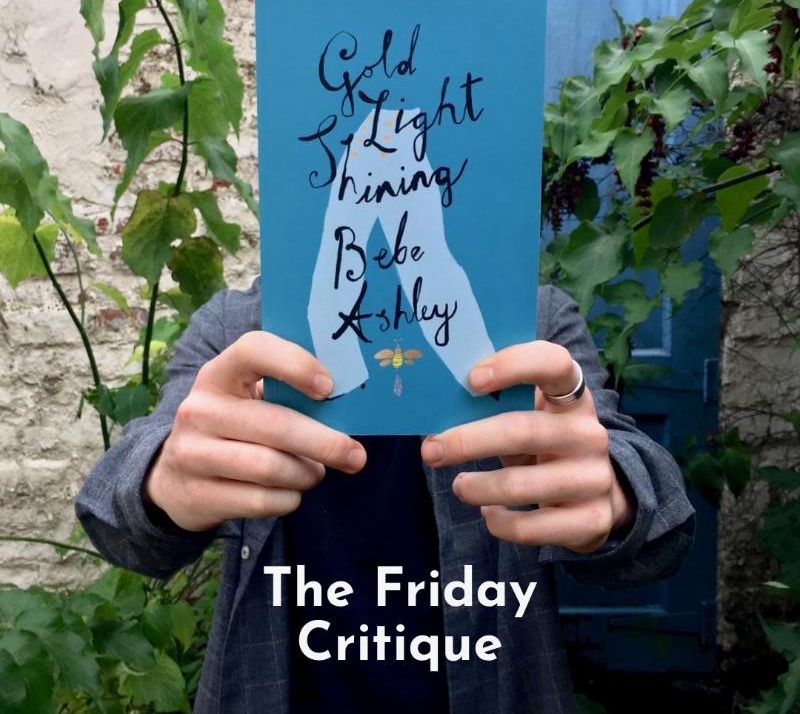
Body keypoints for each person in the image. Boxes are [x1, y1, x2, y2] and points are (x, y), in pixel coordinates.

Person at [74, 276, 696, 714]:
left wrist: (614, 494)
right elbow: (117, 518)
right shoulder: (238, 329)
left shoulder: (527, 321)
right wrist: (162, 480)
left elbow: (659, 520)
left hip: (494, 689)